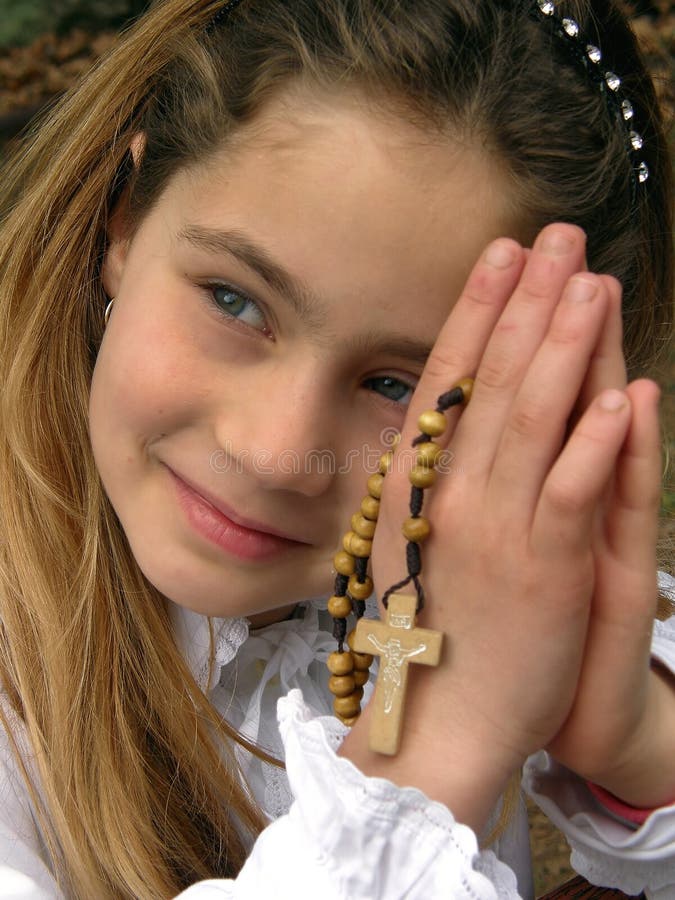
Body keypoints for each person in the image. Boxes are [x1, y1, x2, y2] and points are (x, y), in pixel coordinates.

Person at [0, 0, 673, 897]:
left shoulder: (437, 598)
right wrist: (442, 747)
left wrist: (636, 745)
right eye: (234, 301)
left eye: (401, 387)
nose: (277, 452)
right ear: (124, 220)